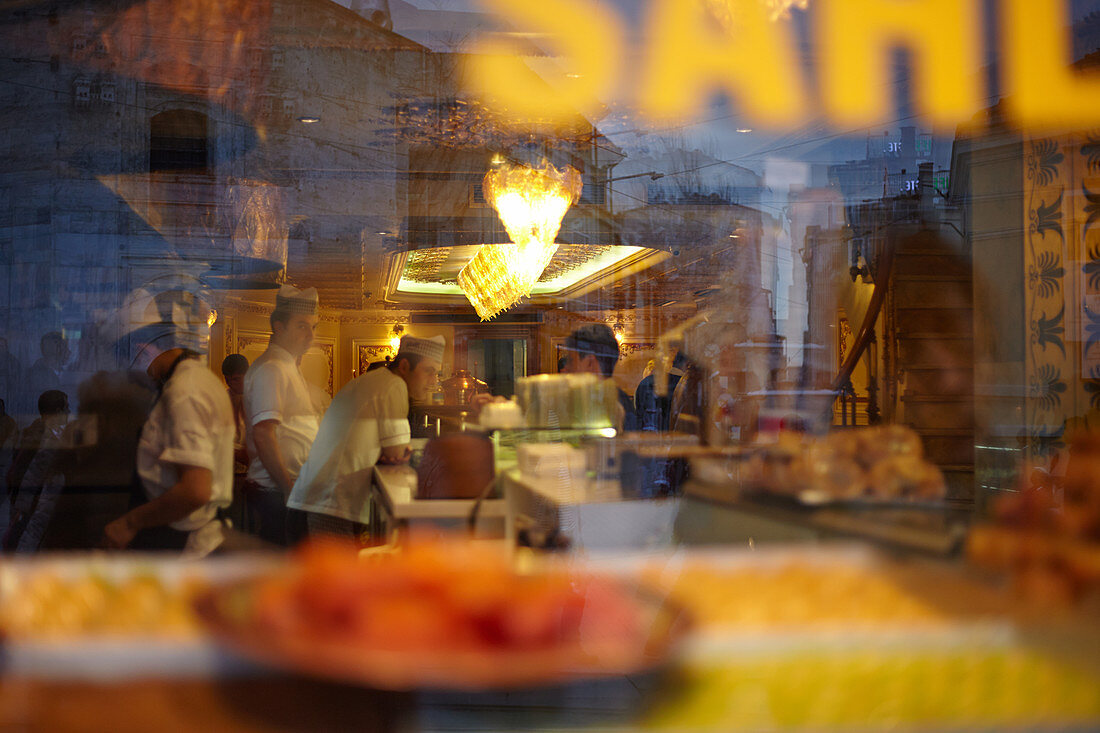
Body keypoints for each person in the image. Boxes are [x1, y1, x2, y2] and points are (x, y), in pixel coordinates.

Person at [101, 280, 233, 556]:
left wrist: (130, 522)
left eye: (129, 360)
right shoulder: (198, 378)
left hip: (185, 543)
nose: (131, 374)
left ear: (142, 347)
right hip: (183, 534)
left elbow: (195, 491)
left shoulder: (184, 390)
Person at [287, 334, 443, 541]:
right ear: (404, 366)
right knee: (335, 573)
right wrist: (395, 453)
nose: (434, 381)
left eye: (437, 374)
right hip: (329, 505)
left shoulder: (373, 381)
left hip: (317, 498)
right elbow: (397, 452)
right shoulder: (393, 386)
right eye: (429, 372)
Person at [242, 285, 321, 546]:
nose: (310, 335)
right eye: (301, 326)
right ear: (279, 326)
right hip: (277, 491)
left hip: (290, 488)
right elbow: (264, 433)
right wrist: (289, 489)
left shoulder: (287, 365)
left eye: (313, 327)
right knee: (282, 568)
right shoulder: (273, 368)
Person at [2, 390, 69, 551]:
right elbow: (29, 476)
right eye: (67, 408)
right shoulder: (42, 439)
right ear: (58, 411)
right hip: (33, 508)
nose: (69, 412)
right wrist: (21, 510)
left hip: (30, 507)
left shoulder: (36, 433)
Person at [559, 323, 639, 432]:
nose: (566, 368)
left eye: (571, 361)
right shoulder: (591, 399)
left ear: (590, 363)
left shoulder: (613, 407)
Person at [221, 354, 252, 531]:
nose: (230, 383)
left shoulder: (256, 399)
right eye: (227, 379)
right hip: (227, 473)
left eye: (235, 379)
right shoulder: (222, 399)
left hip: (250, 471)